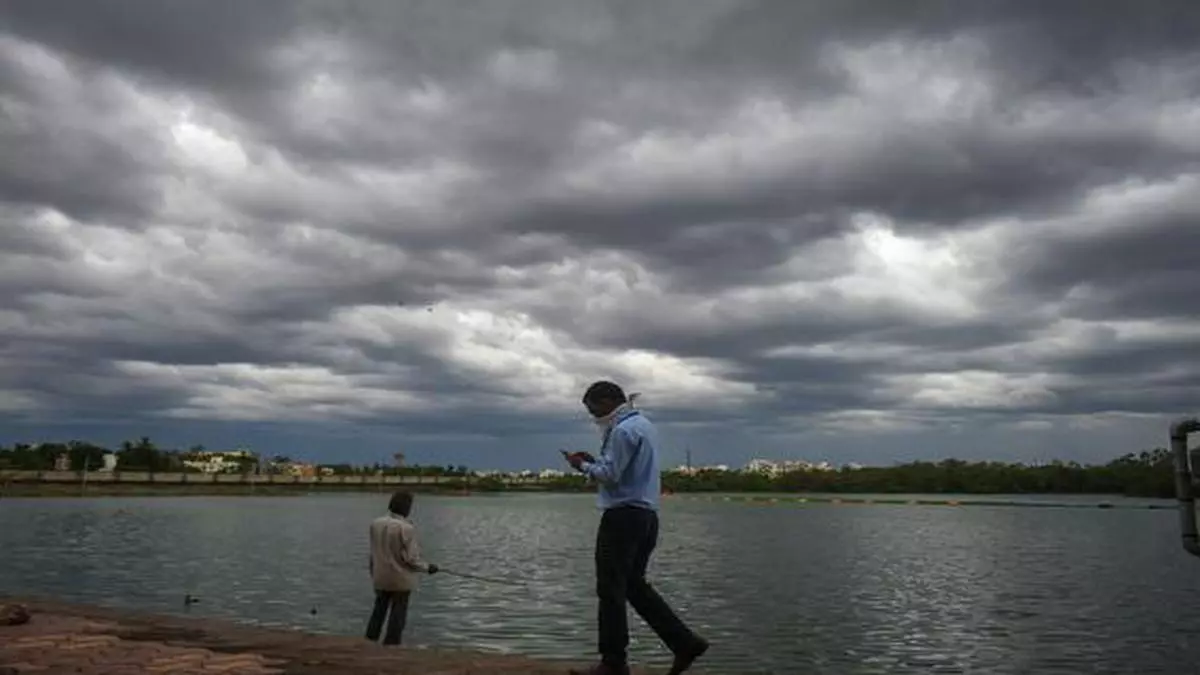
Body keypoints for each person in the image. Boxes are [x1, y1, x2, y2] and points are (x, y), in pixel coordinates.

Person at [564, 381, 709, 675]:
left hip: (622, 517)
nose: (593, 417)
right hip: (646, 516)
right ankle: (684, 643)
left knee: (610, 589)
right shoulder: (644, 425)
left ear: (606, 402)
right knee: (633, 585)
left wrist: (581, 465)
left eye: (593, 410)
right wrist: (596, 463)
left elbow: (612, 475)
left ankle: (613, 663)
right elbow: (626, 468)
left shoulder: (622, 431)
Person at [365, 490, 439, 646]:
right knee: (398, 612)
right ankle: (391, 644)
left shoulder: (375, 523)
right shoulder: (406, 528)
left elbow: (373, 553)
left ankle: (370, 640)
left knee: (379, 609)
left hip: (380, 575)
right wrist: (428, 568)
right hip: (401, 577)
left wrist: (373, 573)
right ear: (406, 507)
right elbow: (411, 559)